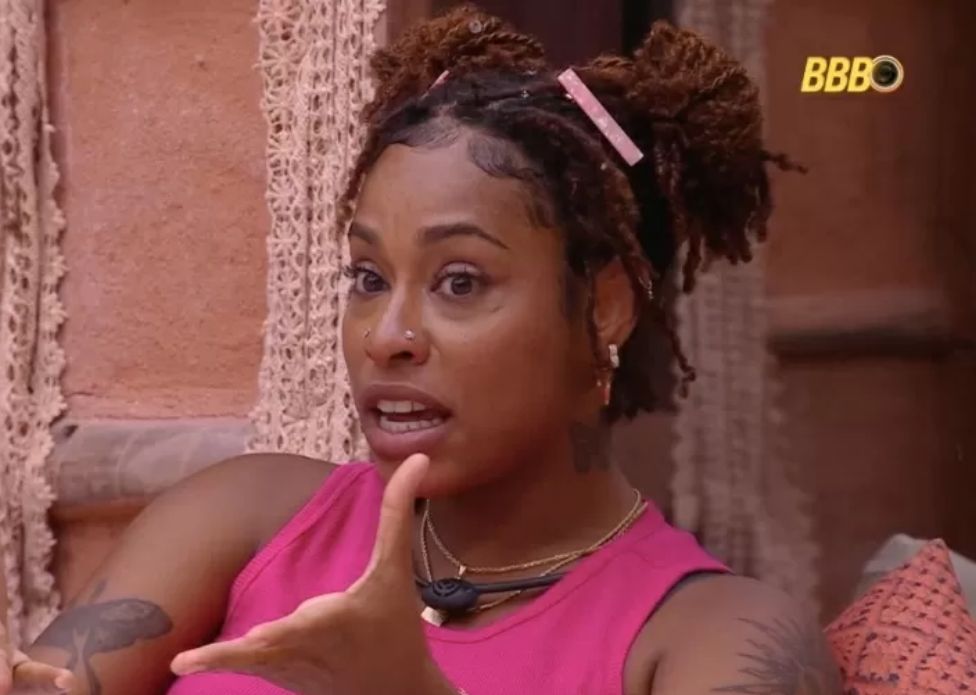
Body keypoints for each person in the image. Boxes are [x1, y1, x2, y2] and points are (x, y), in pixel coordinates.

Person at [2, 6, 840, 695]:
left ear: (604, 306)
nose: (387, 336)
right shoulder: (247, 518)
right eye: (369, 278)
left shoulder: (713, 637)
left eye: (460, 281)